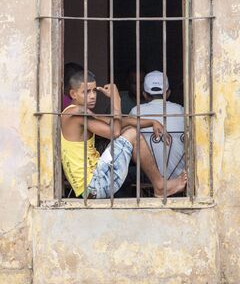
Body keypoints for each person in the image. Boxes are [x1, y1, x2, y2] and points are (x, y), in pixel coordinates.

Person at [61, 70, 187, 199]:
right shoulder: (77, 112)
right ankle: (160, 186)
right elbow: (115, 132)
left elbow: (115, 121)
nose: (93, 96)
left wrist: (151, 122)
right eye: (86, 92)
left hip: (94, 184)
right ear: (73, 94)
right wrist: (116, 99)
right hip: (94, 186)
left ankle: (160, 185)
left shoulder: (81, 112)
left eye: (94, 91)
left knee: (130, 130)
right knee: (133, 133)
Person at [130, 70, 185, 179]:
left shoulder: (136, 112)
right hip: (180, 176)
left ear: (144, 94)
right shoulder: (182, 111)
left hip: (147, 177)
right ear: (168, 93)